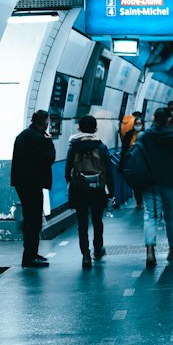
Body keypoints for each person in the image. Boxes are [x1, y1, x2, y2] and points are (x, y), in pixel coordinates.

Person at [123, 106, 173, 267]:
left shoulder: (144, 137)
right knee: (170, 218)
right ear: (168, 120)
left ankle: (150, 251)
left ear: (153, 118)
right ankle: (172, 249)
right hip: (171, 184)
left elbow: (137, 158)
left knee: (150, 217)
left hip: (150, 183)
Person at [65, 114, 116, 268]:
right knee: (97, 220)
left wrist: (74, 184)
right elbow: (109, 171)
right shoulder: (101, 147)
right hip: (97, 190)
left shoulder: (73, 148)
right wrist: (111, 193)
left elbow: (68, 171)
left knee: (82, 223)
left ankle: (85, 254)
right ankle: (98, 249)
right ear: (95, 128)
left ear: (79, 128)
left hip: (79, 190)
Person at [11, 108, 55, 268]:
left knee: (32, 219)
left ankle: (31, 253)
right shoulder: (37, 138)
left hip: (24, 183)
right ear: (44, 123)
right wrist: (49, 141)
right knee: (34, 220)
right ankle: (29, 257)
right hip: (31, 184)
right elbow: (49, 157)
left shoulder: (24, 135)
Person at [120, 111, 144, 208]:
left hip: (142, 162)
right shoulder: (129, 135)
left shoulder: (145, 135)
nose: (137, 126)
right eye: (136, 124)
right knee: (136, 184)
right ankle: (139, 201)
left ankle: (141, 200)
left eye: (139, 124)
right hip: (132, 163)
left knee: (142, 182)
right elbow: (124, 149)